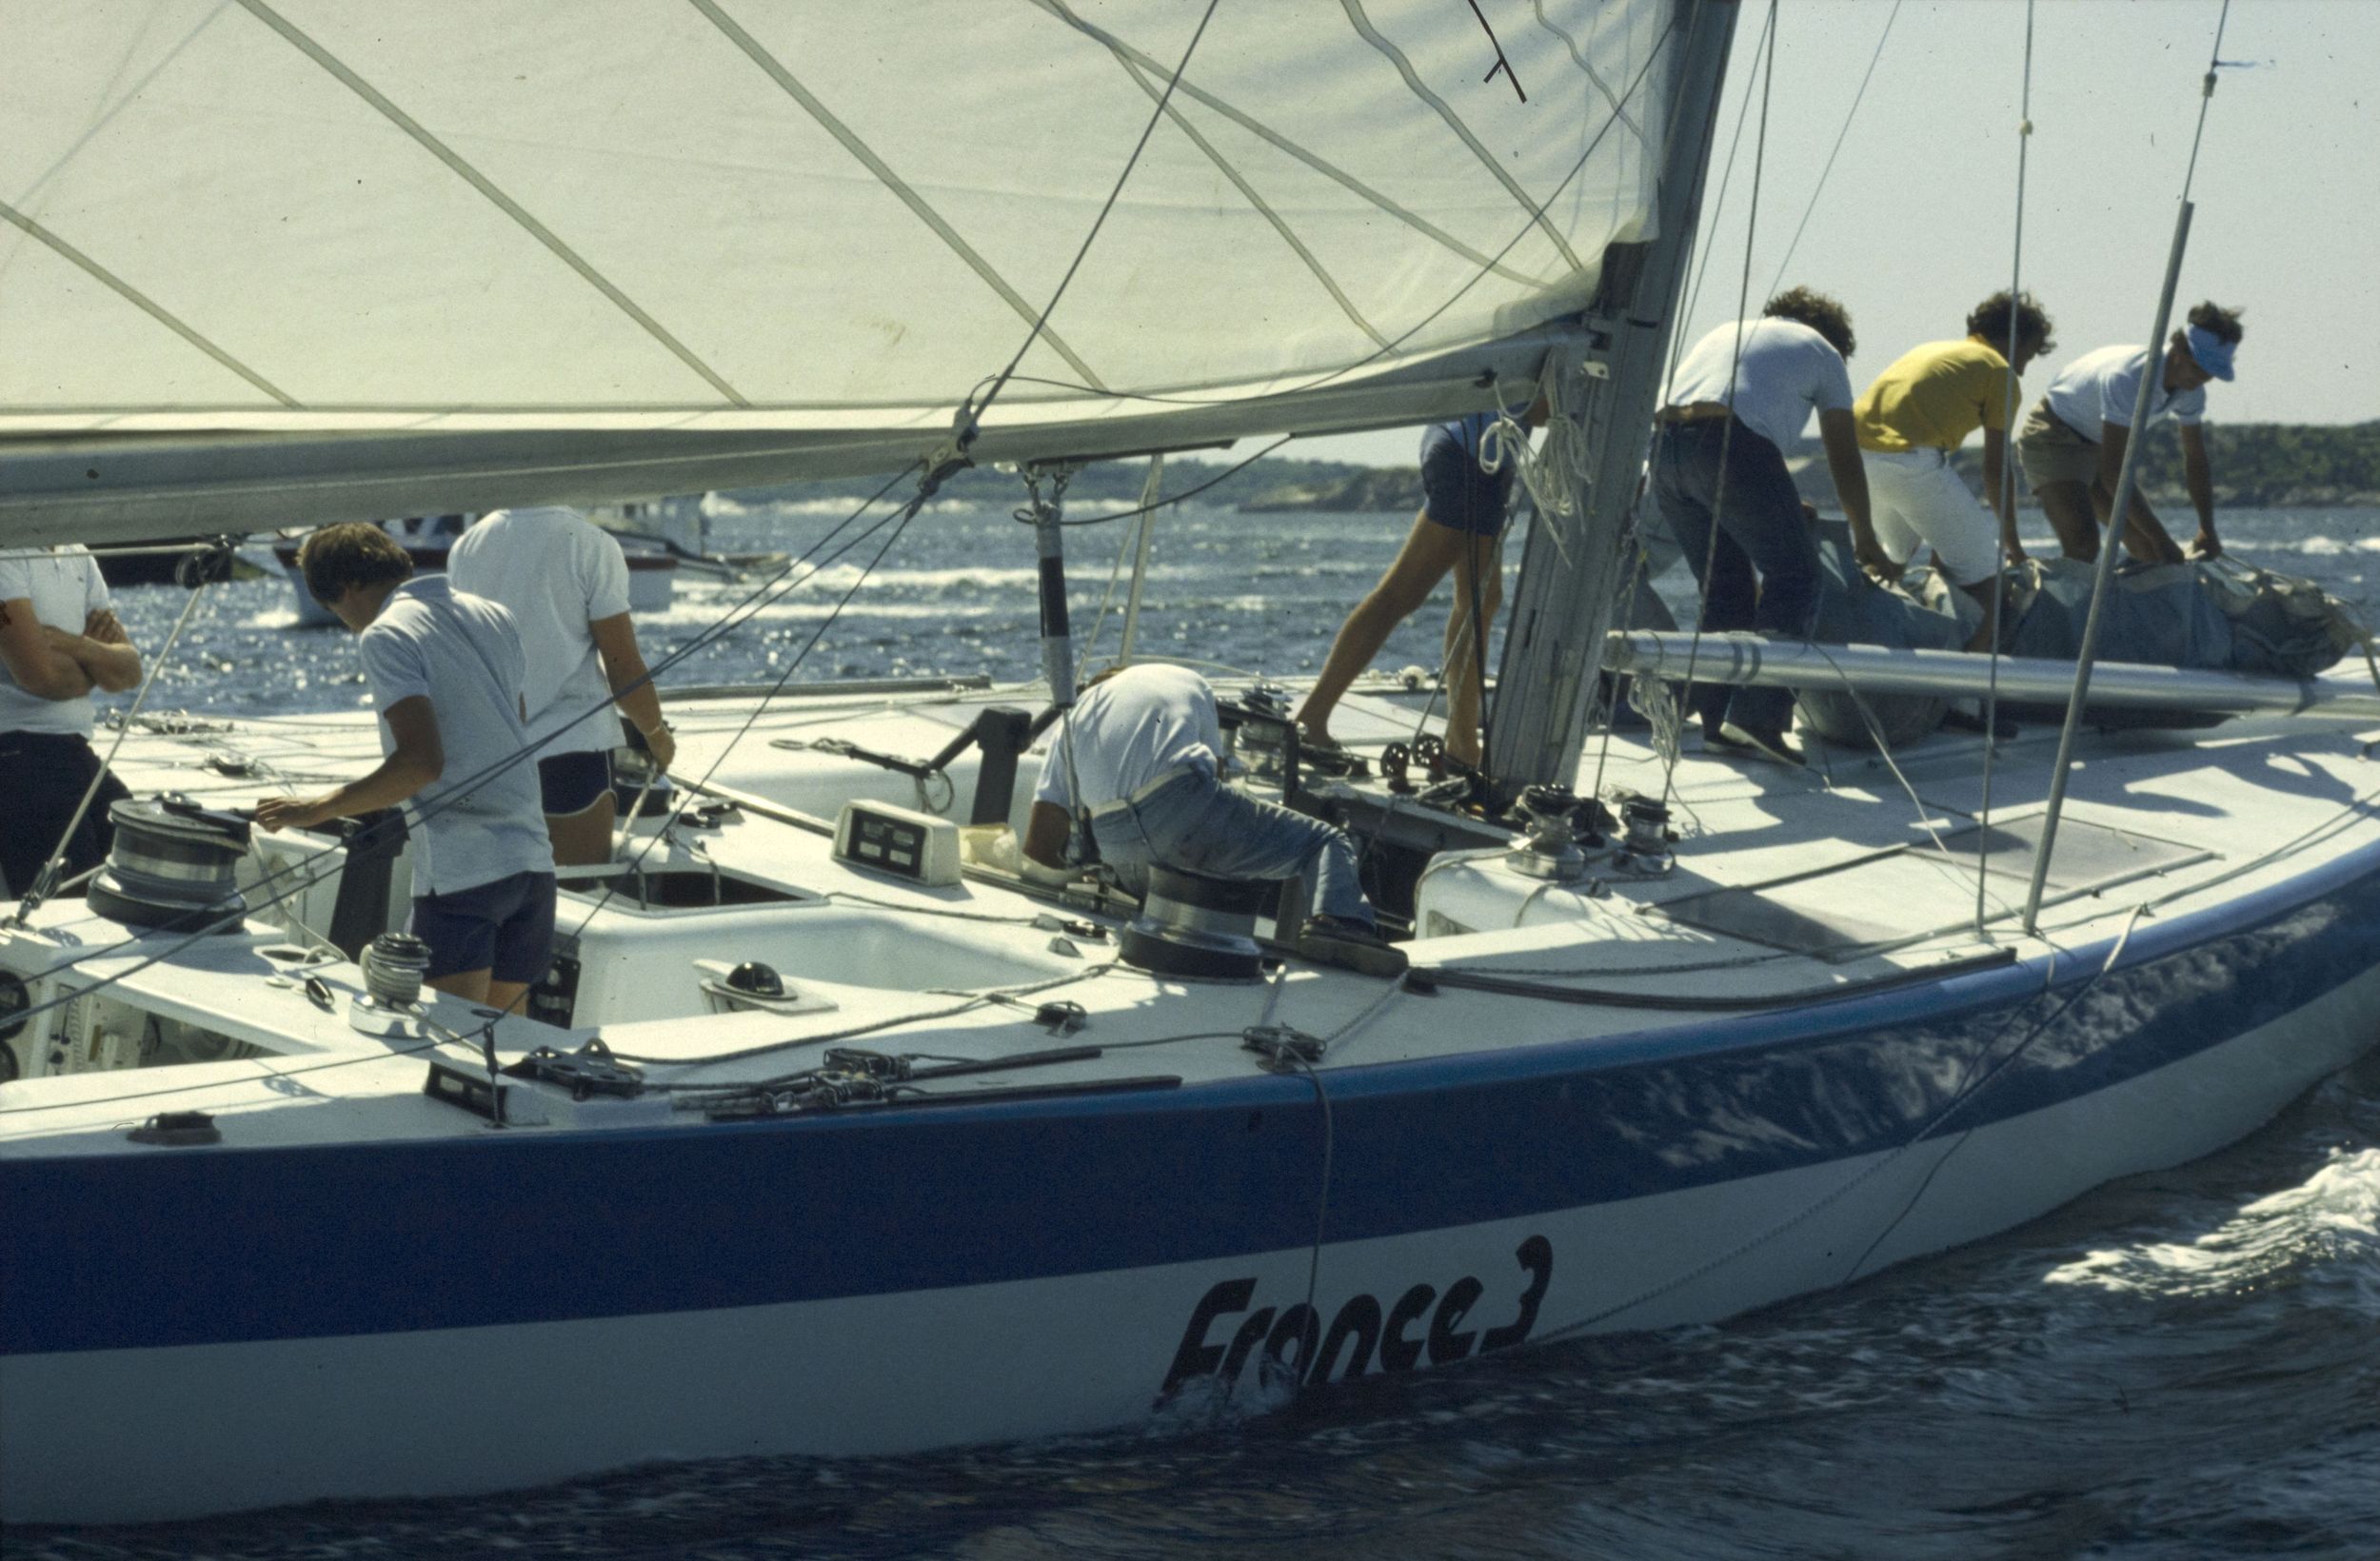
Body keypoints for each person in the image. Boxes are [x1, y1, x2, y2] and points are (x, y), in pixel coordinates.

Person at [255, 524, 556, 1014]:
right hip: (533, 865)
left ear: (347, 589)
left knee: (454, 1042)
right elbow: (509, 724)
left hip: (464, 872)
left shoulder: (387, 633)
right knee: (508, 1040)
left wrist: (313, 810)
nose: (348, 624)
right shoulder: (495, 615)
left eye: (337, 612)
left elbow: (420, 763)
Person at [1649, 286, 1877, 767]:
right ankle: (1758, 718)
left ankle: (1715, 723)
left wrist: (1783, 502)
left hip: (1666, 453)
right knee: (1795, 576)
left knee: (1724, 587)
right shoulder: (1825, 350)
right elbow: (1841, 451)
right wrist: (1866, 535)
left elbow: (1727, 420)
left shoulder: (1728, 332)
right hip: (1731, 447)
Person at [1024, 663, 1390, 962]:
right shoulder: (1187, 680)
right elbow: (1215, 779)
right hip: (1181, 809)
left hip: (1116, 843)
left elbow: (1039, 845)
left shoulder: (1071, 720)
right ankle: (1340, 925)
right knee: (1324, 841)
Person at [1295, 397, 1545, 768]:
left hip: (1478, 449)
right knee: (1401, 595)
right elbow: (1540, 407)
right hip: (1470, 452)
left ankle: (1462, 747)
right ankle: (1310, 721)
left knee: (1480, 602)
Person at [447, 506, 677, 866]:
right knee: (575, 894)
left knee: (504, 896)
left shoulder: (467, 544)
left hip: (492, 757)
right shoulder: (591, 543)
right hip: (572, 754)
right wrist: (657, 735)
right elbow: (623, 667)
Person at [1854, 290, 2057, 652]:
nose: (2024, 369)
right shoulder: (1999, 372)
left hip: (1859, 458)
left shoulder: (1930, 351)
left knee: (1892, 563)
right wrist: (2014, 547)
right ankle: (1962, 695)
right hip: (1910, 461)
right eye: (2027, 355)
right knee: (1989, 578)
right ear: (2015, 340)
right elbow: (1996, 471)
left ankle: (1867, 651)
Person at [2016, 301, 2242, 565]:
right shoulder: (2128, 378)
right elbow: (2114, 473)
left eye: (2211, 373)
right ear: (2179, 349)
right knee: (2083, 545)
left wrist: (2207, 528)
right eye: (2198, 367)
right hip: (2054, 434)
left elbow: (2196, 458)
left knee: (2150, 551)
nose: (2202, 378)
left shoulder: (2191, 391)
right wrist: (2165, 542)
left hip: (2099, 443)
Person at [0, 545, 143, 898]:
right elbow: (41, 677)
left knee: (144, 854)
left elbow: (129, 673)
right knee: (69, 904)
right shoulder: (7, 554)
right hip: (16, 751)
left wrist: (73, 646)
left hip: (74, 751)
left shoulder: (78, 553)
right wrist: (97, 664)